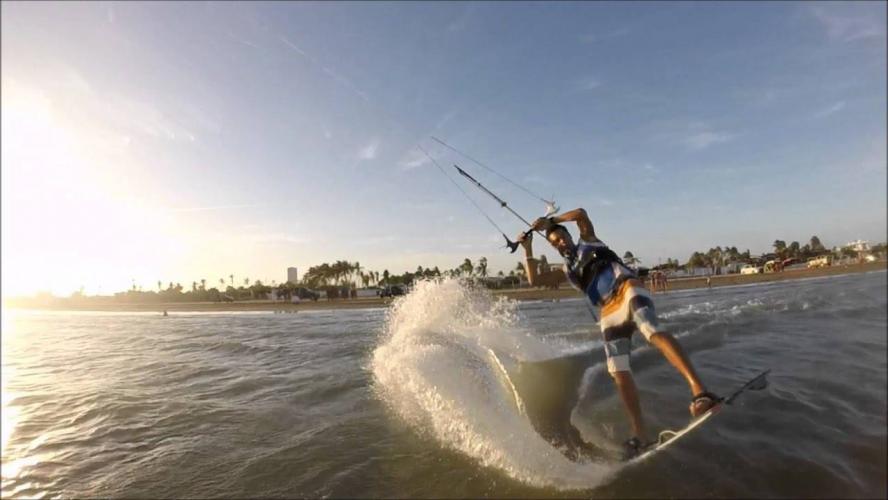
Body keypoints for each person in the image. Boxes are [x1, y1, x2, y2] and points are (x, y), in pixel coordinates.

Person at [517, 208, 720, 458]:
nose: (560, 243)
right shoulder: (566, 270)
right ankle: (640, 435)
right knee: (617, 369)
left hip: (627, 289)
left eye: (561, 237)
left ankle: (701, 392)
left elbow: (581, 213)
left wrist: (551, 221)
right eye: (554, 242)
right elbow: (534, 281)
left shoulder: (588, 241)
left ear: (568, 236)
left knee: (651, 331)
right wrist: (527, 248)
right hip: (608, 310)